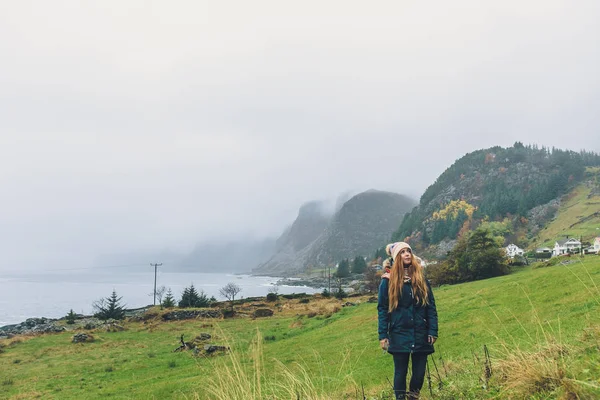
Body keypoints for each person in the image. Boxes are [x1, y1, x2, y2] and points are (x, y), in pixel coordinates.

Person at [378, 242, 438, 399]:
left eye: (408, 251)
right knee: (400, 372)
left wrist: (432, 330)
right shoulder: (387, 281)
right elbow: (383, 309)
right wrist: (383, 335)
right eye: (402, 252)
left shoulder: (420, 279)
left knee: (419, 374)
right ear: (396, 257)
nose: (407, 254)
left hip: (421, 333)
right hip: (399, 333)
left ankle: (413, 397)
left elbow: (430, 306)